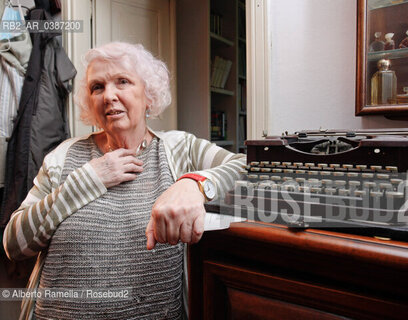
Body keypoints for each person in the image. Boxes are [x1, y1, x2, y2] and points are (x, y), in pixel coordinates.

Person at [3, 42, 245, 319]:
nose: (109, 96)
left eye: (123, 82)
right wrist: (87, 180)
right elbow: (14, 244)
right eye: (97, 87)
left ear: (149, 96)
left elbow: (249, 171)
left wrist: (193, 184)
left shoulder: (180, 149)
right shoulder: (63, 155)